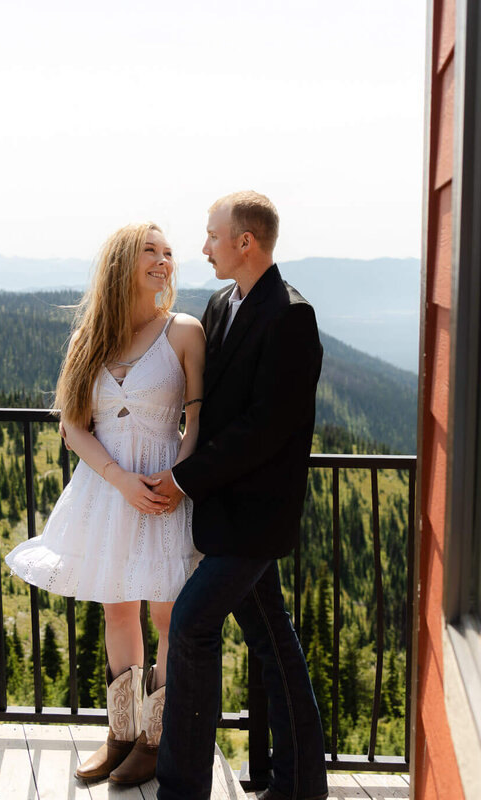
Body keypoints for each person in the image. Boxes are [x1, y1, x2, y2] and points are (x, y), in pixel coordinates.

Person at [4, 221, 206, 787]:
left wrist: (178, 480)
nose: (165, 261)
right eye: (151, 251)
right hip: (107, 488)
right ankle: (120, 733)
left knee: (168, 613)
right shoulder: (88, 336)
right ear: (122, 262)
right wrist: (120, 480)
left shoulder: (184, 331)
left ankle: (157, 741)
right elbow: (73, 423)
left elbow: (199, 421)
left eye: (170, 253)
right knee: (118, 607)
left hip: (167, 489)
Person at [147, 191, 327, 800]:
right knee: (275, 645)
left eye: (211, 236)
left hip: (257, 518)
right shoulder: (223, 303)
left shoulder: (290, 316)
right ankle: (302, 785)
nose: (203, 247)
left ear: (244, 242)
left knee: (193, 625)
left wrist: (181, 480)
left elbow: (263, 432)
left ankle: (182, 789)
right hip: (222, 514)